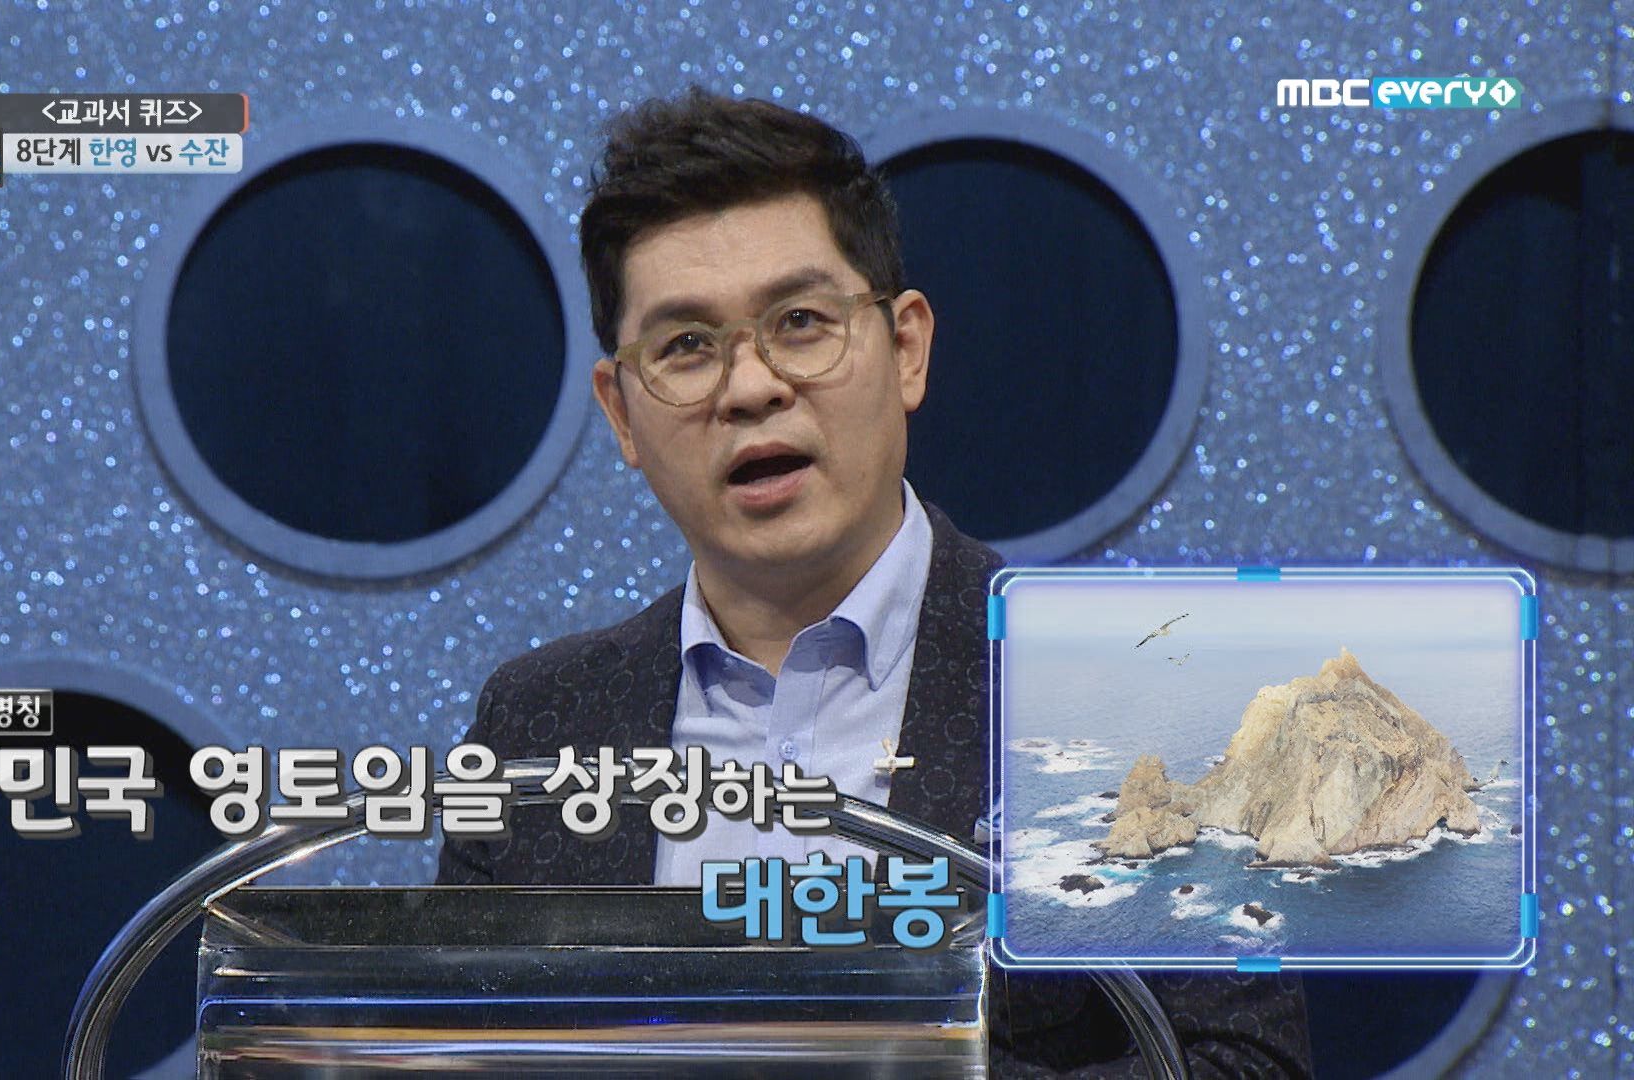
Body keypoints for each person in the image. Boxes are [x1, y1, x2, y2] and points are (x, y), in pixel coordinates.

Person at [439, 87, 1312, 1075]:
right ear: (622, 413)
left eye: (801, 322)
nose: (752, 386)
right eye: (685, 347)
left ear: (905, 349)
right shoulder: (536, 727)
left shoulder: (1124, 695)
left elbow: (1247, 1062)